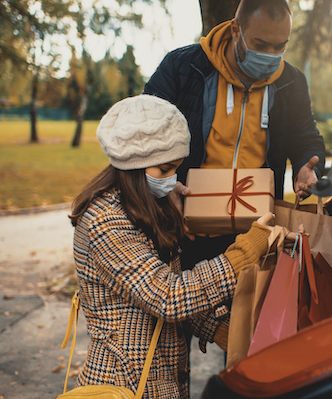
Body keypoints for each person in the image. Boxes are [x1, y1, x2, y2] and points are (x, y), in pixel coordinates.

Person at [68, 94, 274, 398]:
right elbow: (167, 296)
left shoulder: (147, 204)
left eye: (175, 168)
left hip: (161, 378)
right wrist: (243, 254)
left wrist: (217, 328)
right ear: (135, 165)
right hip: (123, 384)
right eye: (164, 169)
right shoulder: (106, 221)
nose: (171, 179)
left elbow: (157, 290)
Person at [143, 0, 325, 266]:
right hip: (186, 227)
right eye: (261, 45)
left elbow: (305, 136)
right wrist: (165, 187)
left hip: (255, 235)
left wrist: (306, 166)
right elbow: (144, 133)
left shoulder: (292, 82)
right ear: (235, 30)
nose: (271, 55)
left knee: (249, 306)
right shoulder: (182, 67)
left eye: (280, 47)